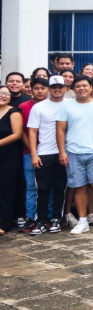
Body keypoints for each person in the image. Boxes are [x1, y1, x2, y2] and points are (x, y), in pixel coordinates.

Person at [57, 75, 93, 236]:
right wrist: (62, 151)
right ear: (73, 89)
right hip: (74, 152)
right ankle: (83, 221)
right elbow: (60, 129)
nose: (82, 88)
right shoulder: (66, 106)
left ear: (91, 88)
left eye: (85, 86)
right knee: (78, 187)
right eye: (78, 86)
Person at [27, 78, 68, 234]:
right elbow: (32, 131)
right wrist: (34, 153)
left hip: (65, 152)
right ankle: (41, 220)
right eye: (53, 87)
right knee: (43, 189)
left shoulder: (70, 104)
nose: (57, 89)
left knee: (59, 187)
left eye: (60, 86)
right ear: (49, 88)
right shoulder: (39, 107)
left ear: (65, 87)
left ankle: (56, 218)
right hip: (44, 152)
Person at [19, 77, 48, 232]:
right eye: (36, 88)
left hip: (50, 152)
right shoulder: (24, 107)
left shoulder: (54, 106)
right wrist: (32, 150)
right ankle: (31, 217)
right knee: (31, 186)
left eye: (43, 88)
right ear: (30, 89)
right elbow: (23, 131)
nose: (39, 91)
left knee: (47, 186)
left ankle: (48, 217)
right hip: (28, 152)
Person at [0, 86, 23, 235]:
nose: (3, 96)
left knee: (5, 191)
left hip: (8, 157)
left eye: (6, 94)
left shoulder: (14, 112)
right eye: (0, 93)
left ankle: (3, 224)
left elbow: (17, 134)